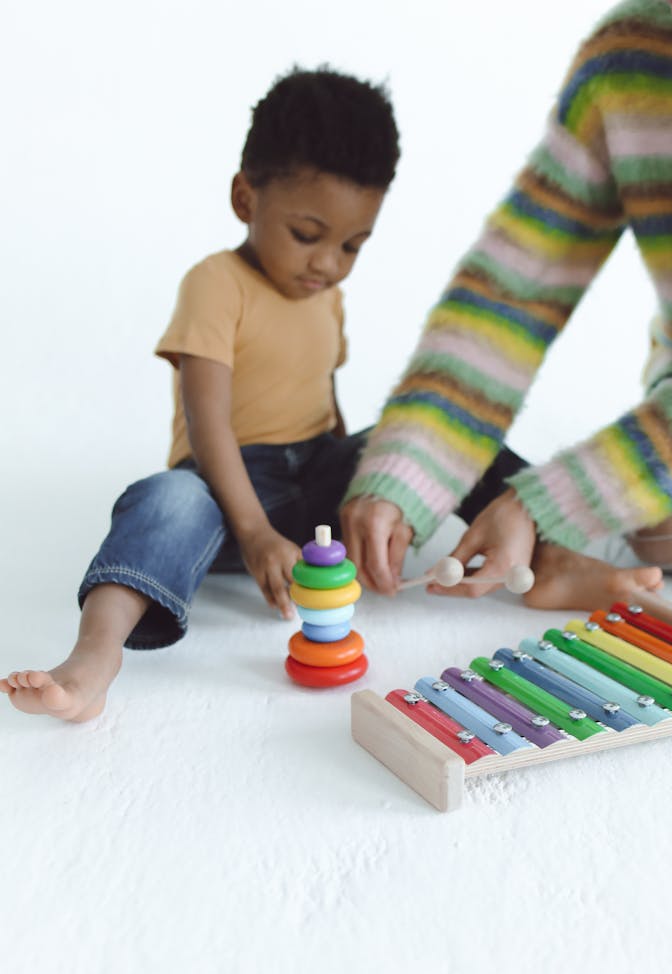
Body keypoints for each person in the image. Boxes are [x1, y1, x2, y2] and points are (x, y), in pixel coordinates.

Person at [1, 67, 400, 721]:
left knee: (418, 435)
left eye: (353, 245)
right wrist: (253, 529)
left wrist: (369, 484)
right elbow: (205, 415)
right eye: (308, 235)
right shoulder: (216, 283)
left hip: (311, 490)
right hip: (227, 492)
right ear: (246, 198)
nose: (328, 263)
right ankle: (93, 659)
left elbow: (329, 407)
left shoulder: (329, 299)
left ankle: (550, 544)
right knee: (167, 497)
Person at [342, 0, 672, 611]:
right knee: (671, 526)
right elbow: (516, 284)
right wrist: (406, 471)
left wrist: (542, 505)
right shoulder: (629, 55)